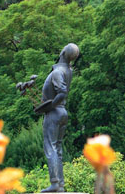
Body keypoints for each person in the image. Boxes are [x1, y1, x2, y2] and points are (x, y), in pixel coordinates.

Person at [40, 43, 80, 193]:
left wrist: (49, 106)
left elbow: (62, 92)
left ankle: (55, 182)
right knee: (57, 148)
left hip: (55, 112)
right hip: (62, 112)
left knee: (50, 148)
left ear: (63, 52)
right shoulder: (68, 70)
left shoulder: (58, 72)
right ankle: (59, 184)